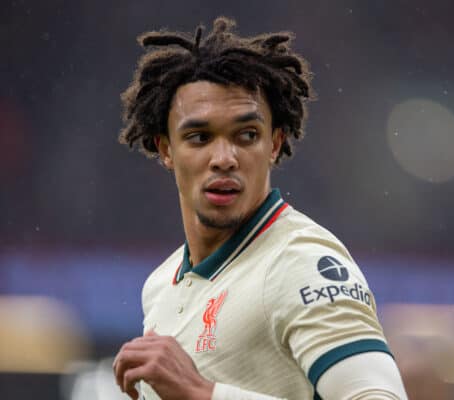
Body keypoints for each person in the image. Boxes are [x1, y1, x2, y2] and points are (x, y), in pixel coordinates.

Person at [113, 17, 408, 400]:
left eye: (246, 135)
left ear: (274, 143)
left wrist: (201, 392)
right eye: (199, 137)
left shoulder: (301, 262)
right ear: (166, 148)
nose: (224, 158)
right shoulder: (160, 284)